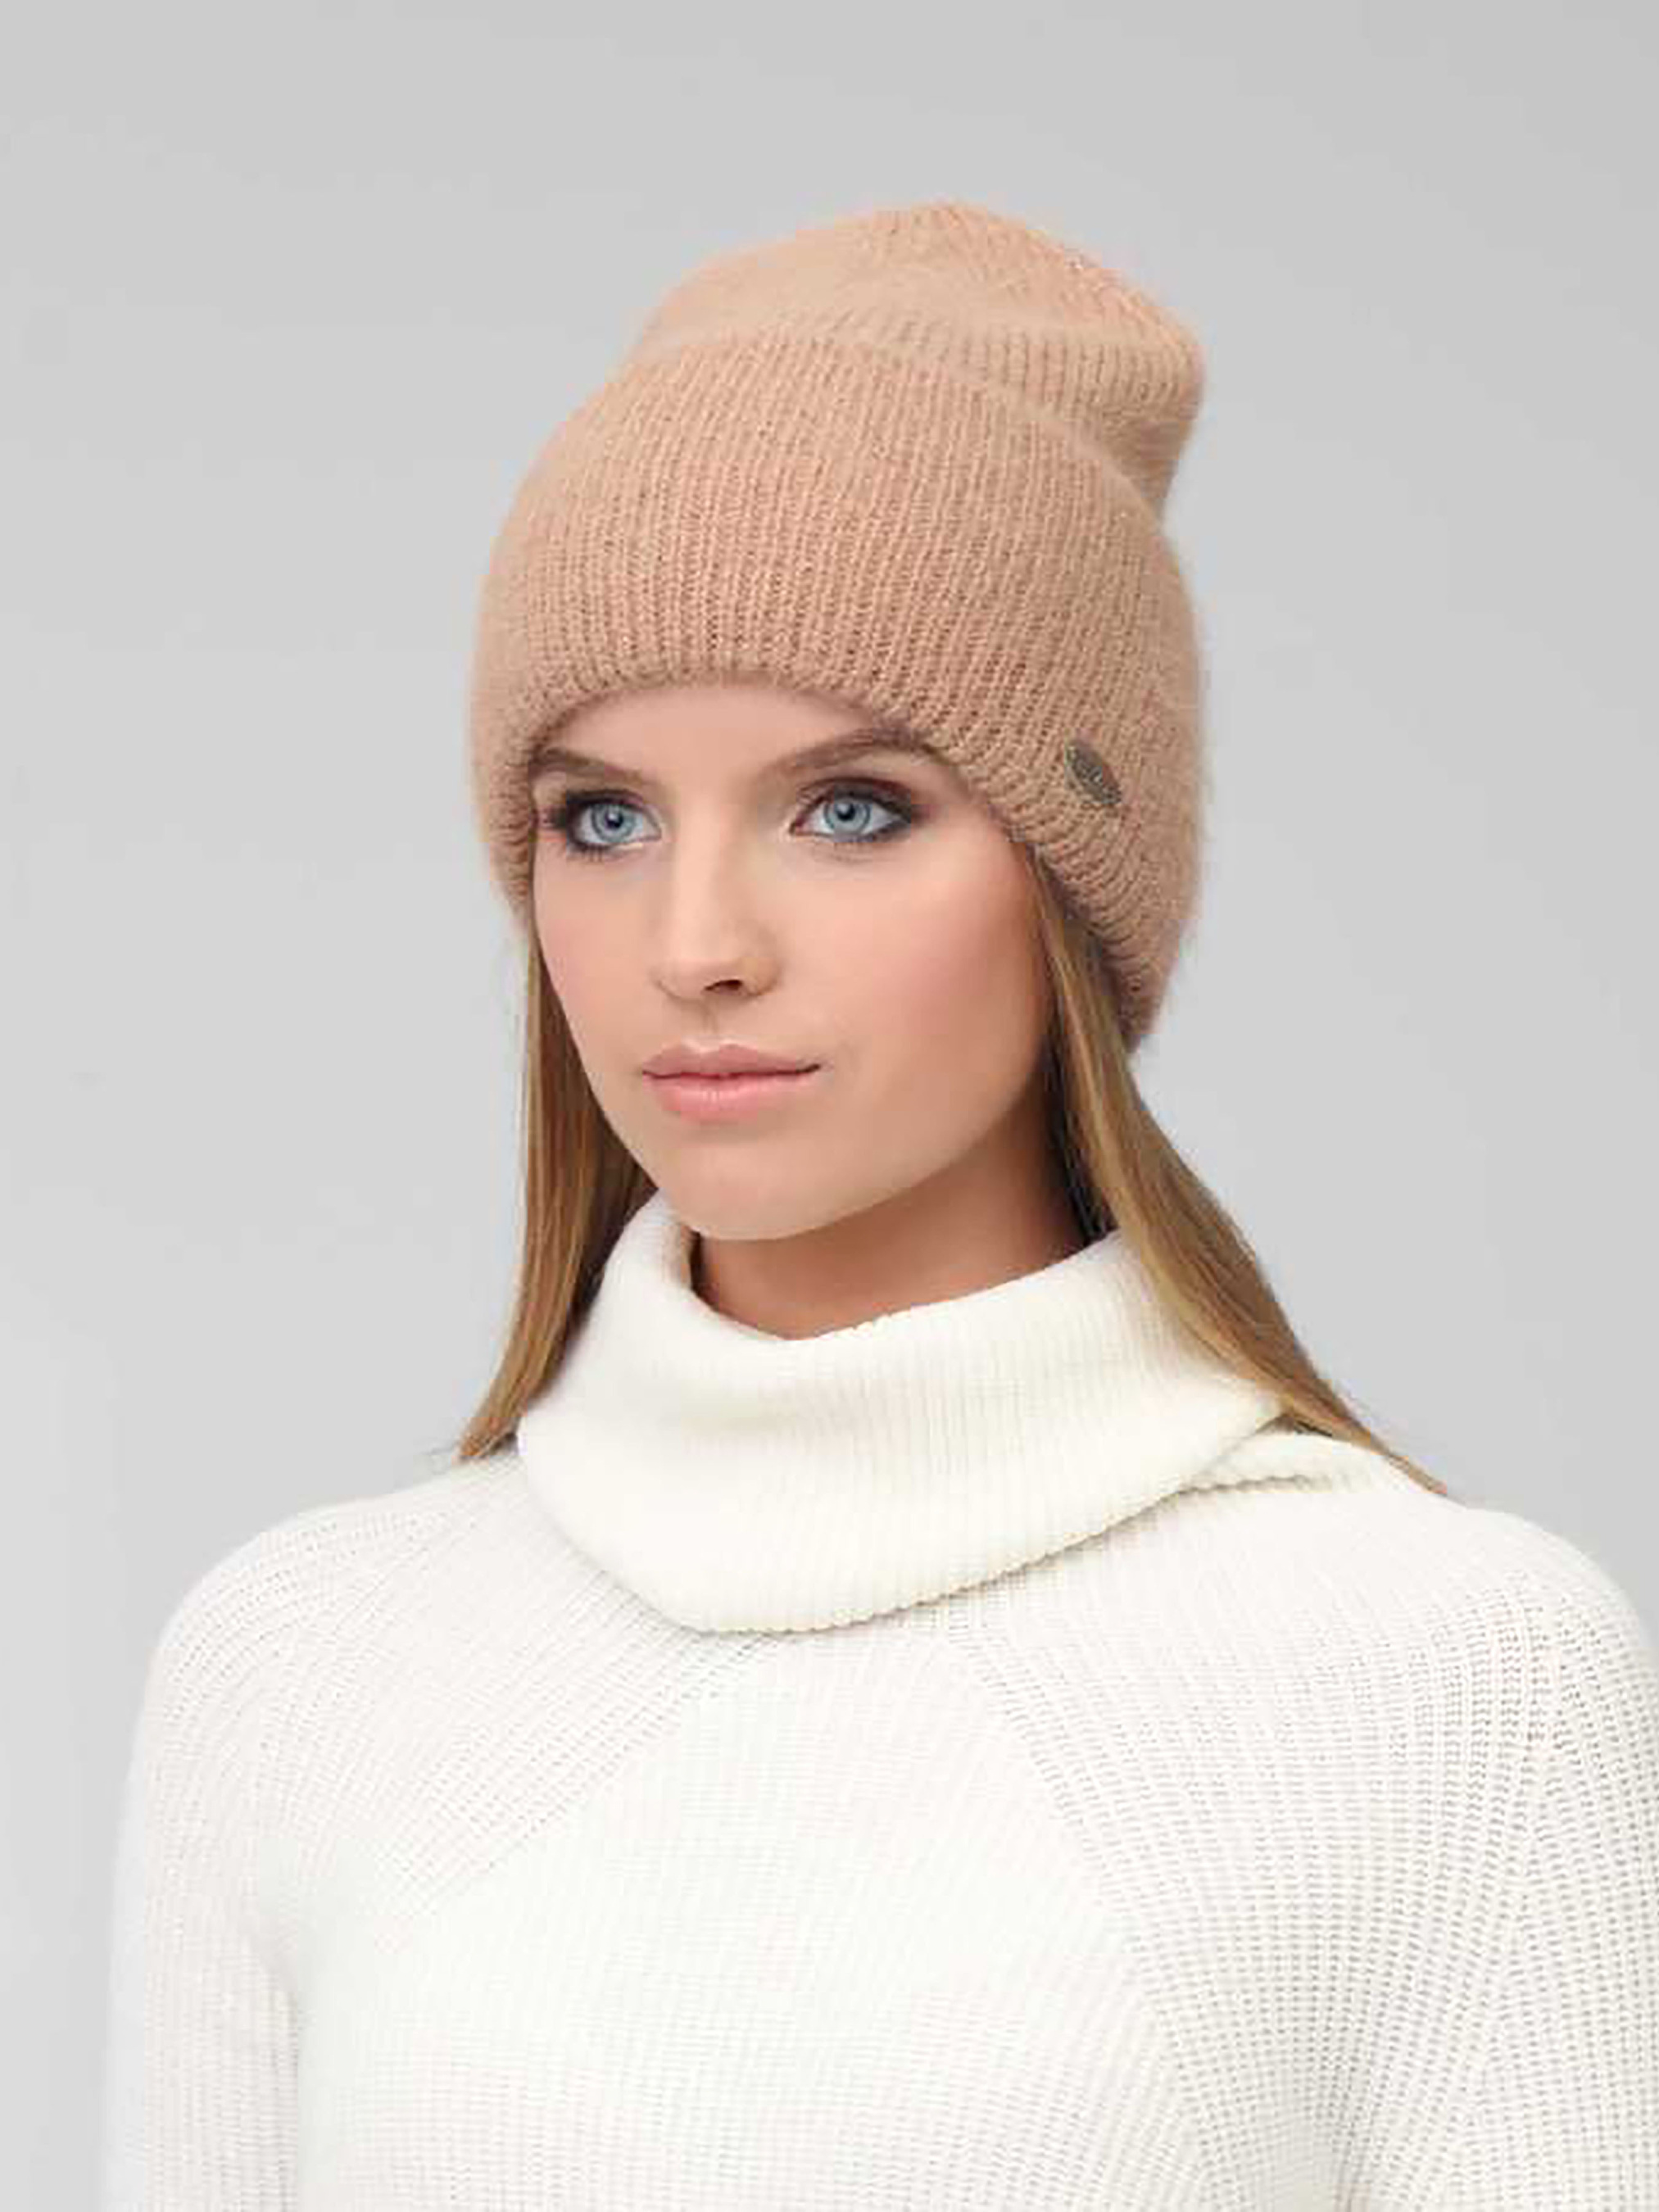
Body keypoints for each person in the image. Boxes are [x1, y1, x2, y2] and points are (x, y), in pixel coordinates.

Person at [102, 200, 1659, 2208]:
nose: (695, 943)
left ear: (1072, 875)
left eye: (850, 810)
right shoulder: (298, 1663)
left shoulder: (1452, 1675)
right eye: (600, 816)